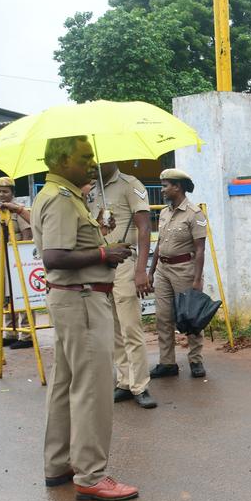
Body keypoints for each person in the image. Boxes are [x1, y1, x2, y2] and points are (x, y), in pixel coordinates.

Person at [32, 135, 138, 501]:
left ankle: (58, 462)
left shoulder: (61, 197)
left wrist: (99, 241)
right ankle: (91, 475)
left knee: (64, 385)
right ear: (62, 161)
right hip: (83, 300)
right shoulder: (61, 201)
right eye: (83, 157)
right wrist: (104, 254)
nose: (91, 162)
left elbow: (65, 249)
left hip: (71, 300)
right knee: (92, 388)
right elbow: (55, 257)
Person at [91, 162, 157, 409]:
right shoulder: (92, 189)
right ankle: (124, 381)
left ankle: (140, 384)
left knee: (130, 326)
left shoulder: (131, 185)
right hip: (100, 263)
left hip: (125, 262)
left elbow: (144, 226)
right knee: (113, 327)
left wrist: (141, 270)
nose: (96, 163)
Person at [148, 169, 208, 380]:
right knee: (163, 317)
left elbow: (200, 249)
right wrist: (151, 271)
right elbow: (159, 245)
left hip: (184, 269)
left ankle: (195, 360)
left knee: (189, 316)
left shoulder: (194, 214)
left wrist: (197, 279)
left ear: (178, 187)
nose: (162, 189)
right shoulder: (164, 213)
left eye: (165, 185)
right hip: (163, 271)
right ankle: (167, 363)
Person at [0, 177, 32, 349]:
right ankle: (10, 332)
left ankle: (26, 334)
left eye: (5, 191)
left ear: (12, 193)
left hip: (13, 256)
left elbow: (27, 233)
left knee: (20, 293)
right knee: (4, 295)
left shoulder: (18, 211)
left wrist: (23, 257)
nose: (1, 194)